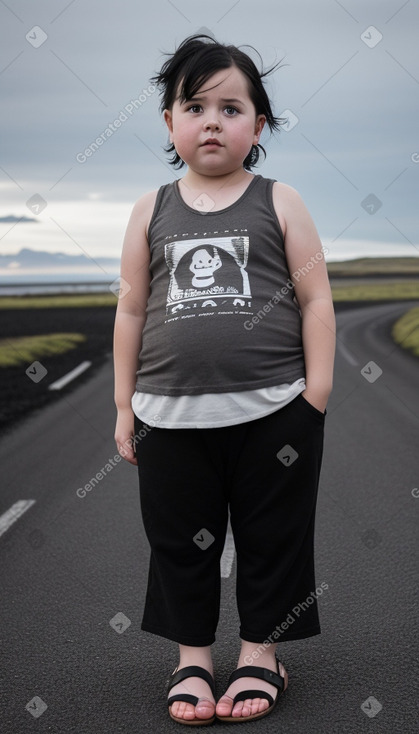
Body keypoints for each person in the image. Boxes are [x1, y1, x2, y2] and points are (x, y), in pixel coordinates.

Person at [113, 33, 336, 726]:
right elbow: (129, 306)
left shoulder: (280, 200)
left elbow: (315, 300)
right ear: (170, 123)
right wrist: (125, 407)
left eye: (231, 107)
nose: (212, 120)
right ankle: (192, 661)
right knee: (181, 542)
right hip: (168, 417)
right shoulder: (150, 209)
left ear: (258, 125)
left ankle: (260, 656)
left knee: (272, 536)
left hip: (274, 412)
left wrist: (315, 398)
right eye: (195, 105)